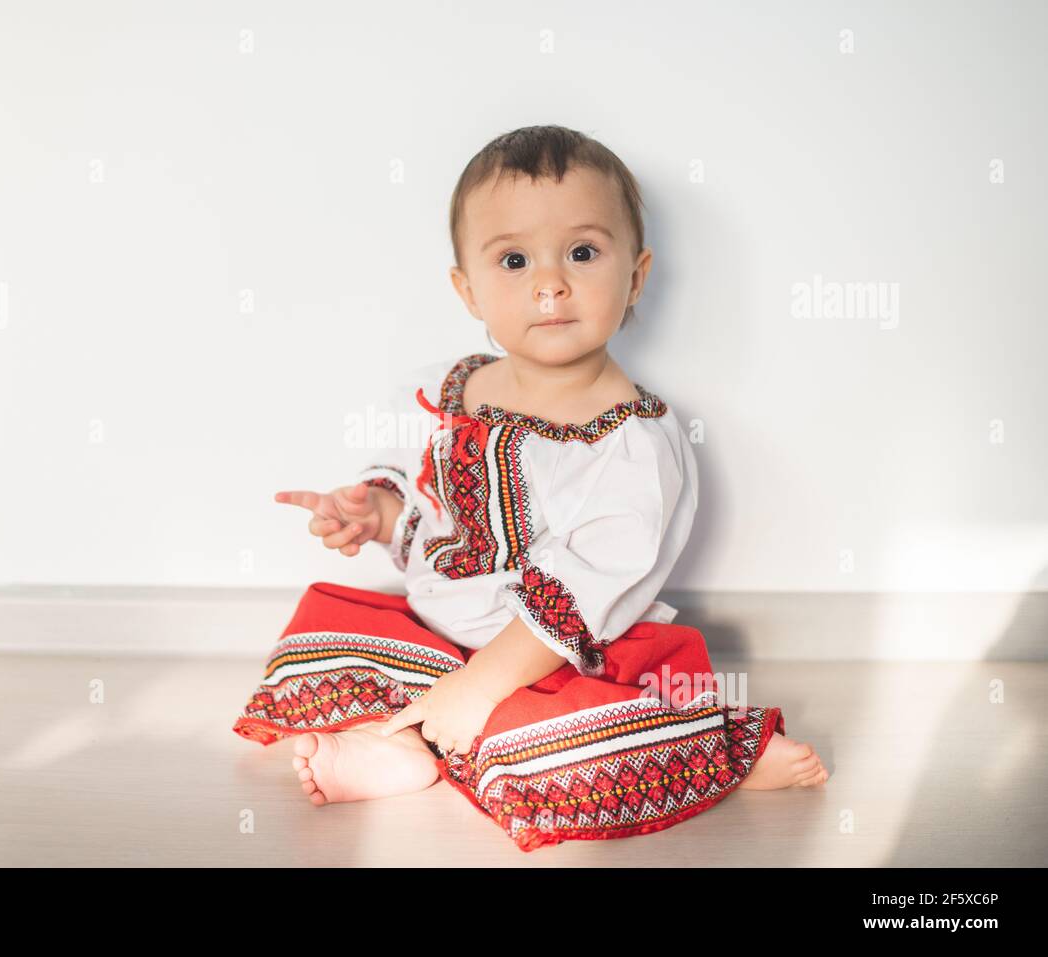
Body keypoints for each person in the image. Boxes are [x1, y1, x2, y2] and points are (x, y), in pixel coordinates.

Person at [233, 124, 828, 852]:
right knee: (317, 645)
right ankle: (407, 743)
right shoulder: (446, 391)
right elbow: (429, 508)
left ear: (635, 276)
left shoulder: (632, 441)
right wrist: (375, 514)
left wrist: (481, 686)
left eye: (582, 252)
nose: (550, 283)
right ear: (468, 288)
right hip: (440, 635)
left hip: (558, 657)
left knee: (554, 740)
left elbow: (588, 587)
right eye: (513, 260)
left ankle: (716, 750)